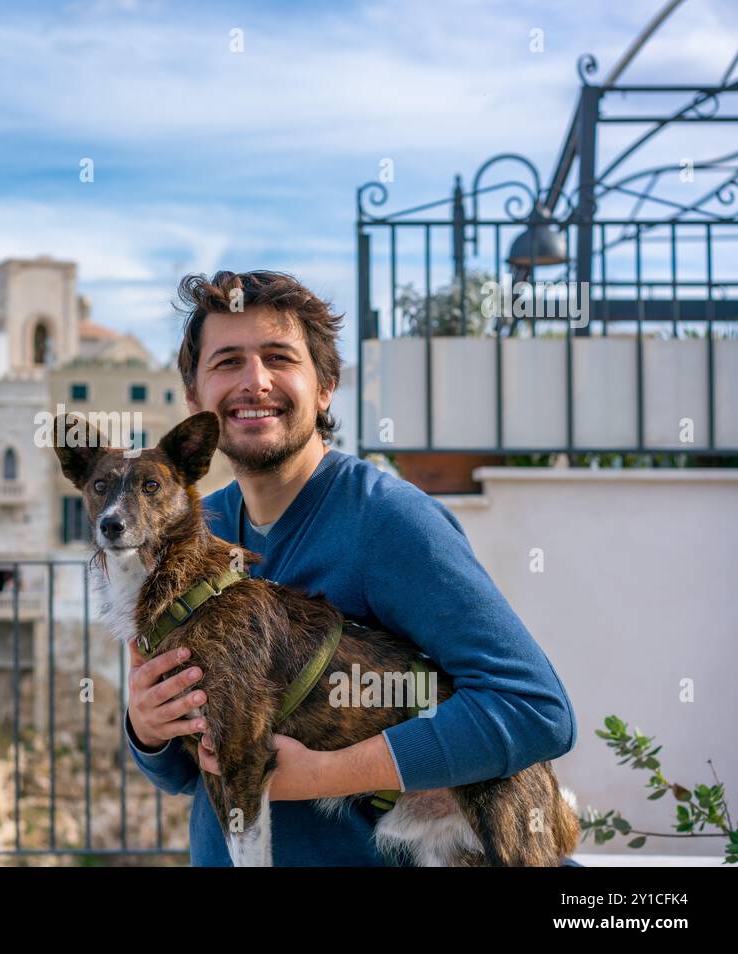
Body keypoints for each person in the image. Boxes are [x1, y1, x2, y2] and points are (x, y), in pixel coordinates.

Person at [125, 270, 579, 866]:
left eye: (278, 357)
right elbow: (185, 777)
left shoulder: (388, 521)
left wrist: (328, 773)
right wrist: (148, 730)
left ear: (325, 387)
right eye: (227, 361)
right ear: (194, 398)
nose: (254, 381)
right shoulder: (188, 533)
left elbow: (535, 710)